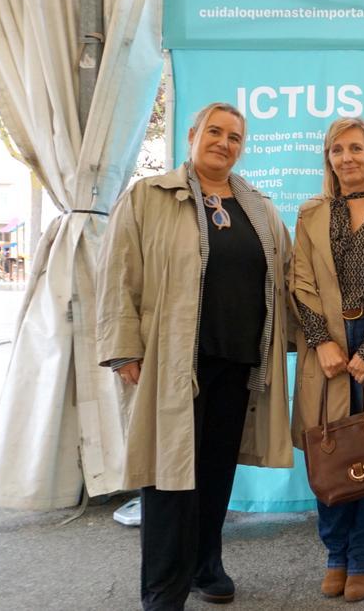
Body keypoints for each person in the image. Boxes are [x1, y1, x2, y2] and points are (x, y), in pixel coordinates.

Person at [96, 102, 294, 610]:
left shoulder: (260, 208)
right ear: (192, 135)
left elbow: (288, 279)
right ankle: (164, 587)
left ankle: (207, 563)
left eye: (235, 137)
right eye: (215, 131)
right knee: (167, 475)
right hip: (173, 362)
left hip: (237, 363)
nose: (224, 143)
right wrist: (122, 350)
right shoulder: (149, 197)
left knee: (215, 470)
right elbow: (119, 274)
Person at [289, 117, 364, 602]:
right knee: (330, 449)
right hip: (327, 341)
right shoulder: (310, 214)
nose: (347, 157)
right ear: (329, 159)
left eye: (356, 148)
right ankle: (334, 555)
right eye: (337, 150)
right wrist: (321, 340)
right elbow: (300, 282)